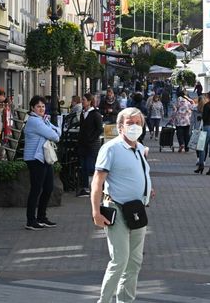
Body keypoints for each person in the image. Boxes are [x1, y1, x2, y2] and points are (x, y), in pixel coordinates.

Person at [91, 107, 154, 303]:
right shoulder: (111, 148)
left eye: (138, 123)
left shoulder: (139, 148)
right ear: (120, 127)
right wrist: (96, 212)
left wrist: (147, 188)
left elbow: (138, 172)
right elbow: (97, 182)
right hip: (117, 208)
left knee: (135, 261)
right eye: (130, 123)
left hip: (137, 209)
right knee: (120, 260)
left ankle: (125, 300)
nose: (134, 126)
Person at [22, 95, 61, 230]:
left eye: (43, 106)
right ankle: (31, 220)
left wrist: (50, 127)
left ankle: (41, 217)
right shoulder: (34, 121)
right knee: (36, 189)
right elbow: (55, 136)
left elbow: (58, 131)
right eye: (38, 106)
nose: (41, 109)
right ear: (32, 108)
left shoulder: (43, 120)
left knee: (48, 188)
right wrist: (52, 130)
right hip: (35, 158)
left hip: (43, 158)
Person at [76, 92, 104, 197]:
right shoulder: (83, 113)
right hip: (83, 144)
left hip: (92, 145)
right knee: (83, 166)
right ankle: (85, 188)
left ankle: (93, 187)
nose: (82, 102)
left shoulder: (95, 114)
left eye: (83, 100)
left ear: (89, 101)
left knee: (90, 166)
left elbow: (99, 129)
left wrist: (91, 139)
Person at [195, 90, 210, 176]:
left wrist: (200, 118)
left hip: (207, 128)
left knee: (202, 147)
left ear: (208, 96)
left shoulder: (207, 105)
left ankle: (201, 165)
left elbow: (205, 117)